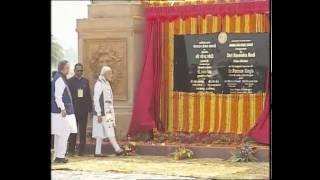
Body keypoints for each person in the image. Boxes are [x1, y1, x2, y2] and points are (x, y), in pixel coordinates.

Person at [92, 66, 124, 157]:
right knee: (109, 130)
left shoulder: (106, 83)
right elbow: (96, 99)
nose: (111, 75)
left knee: (100, 133)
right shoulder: (99, 84)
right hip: (101, 113)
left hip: (108, 112)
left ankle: (97, 152)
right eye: (110, 73)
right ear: (105, 74)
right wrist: (98, 113)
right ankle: (117, 149)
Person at [51, 60, 77, 163]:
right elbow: (58, 96)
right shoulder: (60, 79)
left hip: (59, 111)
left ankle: (58, 156)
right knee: (64, 133)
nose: (69, 69)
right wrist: (62, 108)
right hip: (62, 111)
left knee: (59, 134)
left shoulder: (59, 77)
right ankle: (60, 156)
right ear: (64, 68)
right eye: (68, 67)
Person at [67, 63, 92, 156]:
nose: (79, 72)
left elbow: (88, 95)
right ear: (74, 71)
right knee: (73, 131)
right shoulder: (69, 81)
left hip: (84, 110)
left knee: (82, 131)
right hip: (73, 110)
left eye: (81, 70)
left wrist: (90, 109)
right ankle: (71, 150)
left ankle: (82, 150)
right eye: (78, 70)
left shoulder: (85, 81)